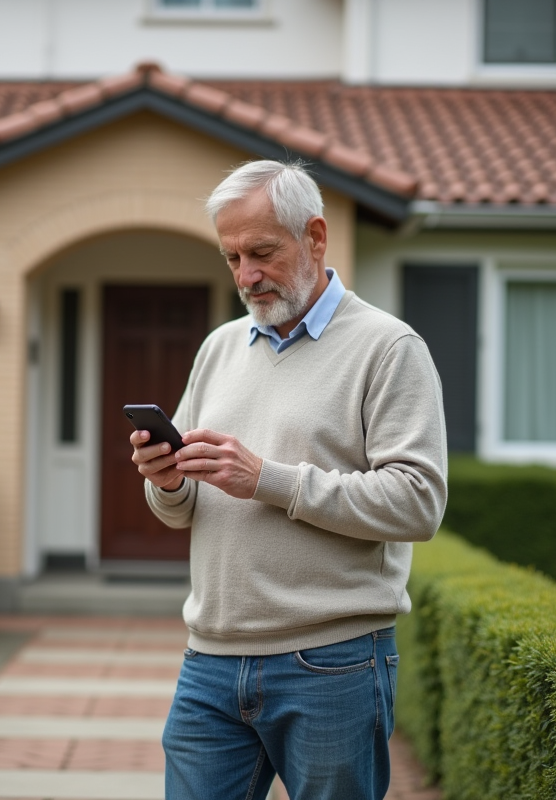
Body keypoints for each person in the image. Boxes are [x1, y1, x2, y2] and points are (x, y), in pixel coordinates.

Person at [129, 160, 448, 800]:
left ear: (316, 236)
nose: (247, 274)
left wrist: (268, 479)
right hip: (210, 659)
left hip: (332, 662)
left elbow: (419, 503)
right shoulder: (219, 347)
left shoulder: (389, 348)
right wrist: (166, 482)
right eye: (232, 257)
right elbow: (182, 508)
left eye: (263, 252)